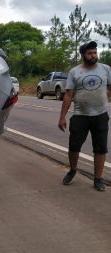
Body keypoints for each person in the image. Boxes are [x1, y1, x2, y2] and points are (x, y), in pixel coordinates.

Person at [58, 41, 111, 191]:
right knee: (74, 146)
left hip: (100, 115)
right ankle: (73, 170)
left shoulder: (106, 69)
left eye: (95, 52)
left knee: (100, 148)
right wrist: (62, 117)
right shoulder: (75, 72)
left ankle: (98, 179)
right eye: (90, 53)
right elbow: (68, 95)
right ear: (83, 55)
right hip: (80, 115)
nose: (93, 55)